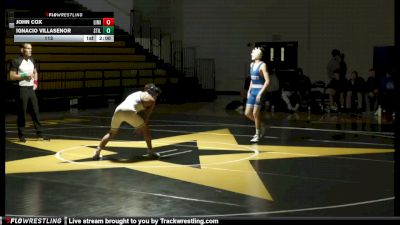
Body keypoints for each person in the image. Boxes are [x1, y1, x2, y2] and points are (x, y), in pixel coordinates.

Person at [93, 83, 162, 160]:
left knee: (111, 133)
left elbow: (134, 104)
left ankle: (97, 153)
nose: (156, 97)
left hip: (118, 110)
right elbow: (146, 116)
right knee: (146, 129)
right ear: (153, 93)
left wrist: (139, 125)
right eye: (156, 95)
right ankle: (150, 151)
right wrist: (140, 127)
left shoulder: (137, 93)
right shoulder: (152, 100)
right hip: (129, 111)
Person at [9, 43, 49, 142]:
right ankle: (21, 135)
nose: (30, 50)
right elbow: (12, 76)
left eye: (31, 49)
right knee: (22, 112)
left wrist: (35, 83)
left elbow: (35, 72)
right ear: (22, 50)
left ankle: (40, 134)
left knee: (36, 112)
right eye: (28, 48)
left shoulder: (32, 60)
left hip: (31, 89)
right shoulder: (16, 61)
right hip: (22, 89)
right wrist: (25, 75)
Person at [244, 47, 270, 143]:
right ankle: (262, 125)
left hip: (259, 90)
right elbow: (252, 79)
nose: (251, 54)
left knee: (255, 113)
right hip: (253, 90)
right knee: (247, 113)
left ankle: (257, 134)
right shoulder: (251, 65)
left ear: (258, 55)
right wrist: (248, 90)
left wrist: (260, 93)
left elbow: (267, 81)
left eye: (252, 53)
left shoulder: (263, 65)